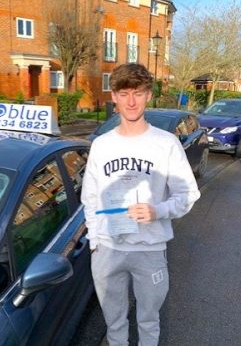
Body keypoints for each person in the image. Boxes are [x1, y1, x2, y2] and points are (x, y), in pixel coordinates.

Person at [81, 63, 200, 346]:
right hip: (108, 250)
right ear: (114, 97)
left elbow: (188, 194)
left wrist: (157, 211)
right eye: (124, 94)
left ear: (149, 95)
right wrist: (95, 242)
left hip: (149, 249)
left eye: (138, 93)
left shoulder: (166, 143)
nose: (131, 101)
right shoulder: (102, 145)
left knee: (148, 320)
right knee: (114, 323)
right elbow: (91, 196)